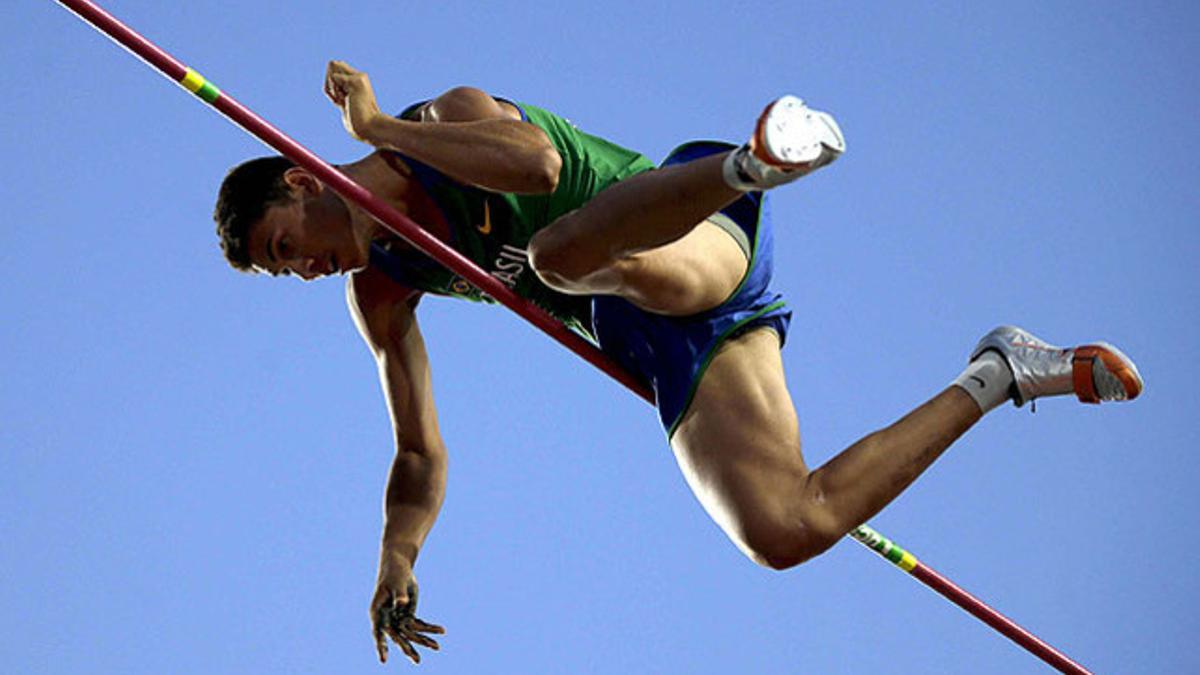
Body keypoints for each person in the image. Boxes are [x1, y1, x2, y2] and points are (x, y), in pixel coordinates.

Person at [212, 61, 1144, 665]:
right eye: (279, 270)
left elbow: (536, 168)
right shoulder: (378, 292)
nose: (299, 269)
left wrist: (377, 130)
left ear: (301, 179)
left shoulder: (441, 120)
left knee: (557, 256)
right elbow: (418, 453)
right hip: (656, 330)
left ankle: (759, 160)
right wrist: (396, 556)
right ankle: (1003, 372)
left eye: (281, 244)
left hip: (693, 225)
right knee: (782, 528)